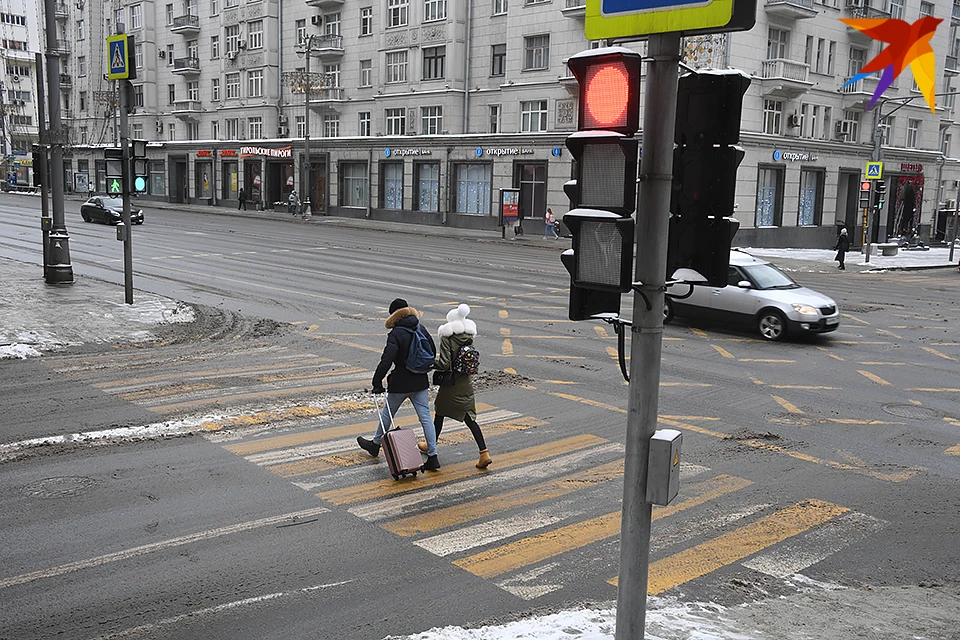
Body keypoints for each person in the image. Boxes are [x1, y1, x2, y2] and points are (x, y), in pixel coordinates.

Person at [358, 298, 441, 471]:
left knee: (387, 413)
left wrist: (376, 381)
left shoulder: (397, 333)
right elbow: (432, 352)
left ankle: (375, 444)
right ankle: (433, 456)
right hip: (420, 380)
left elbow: (387, 359)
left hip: (401, 381)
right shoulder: (421, 328)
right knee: (425, 417)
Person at [427, 304, 491, 469]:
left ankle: (431, 445)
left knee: (439, 413)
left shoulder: (448, 338)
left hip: (451, 385)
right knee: (470, 418)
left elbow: (444, 363)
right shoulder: (469, 337)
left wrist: (429, 362)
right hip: (466, 384)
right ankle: (484, 453)